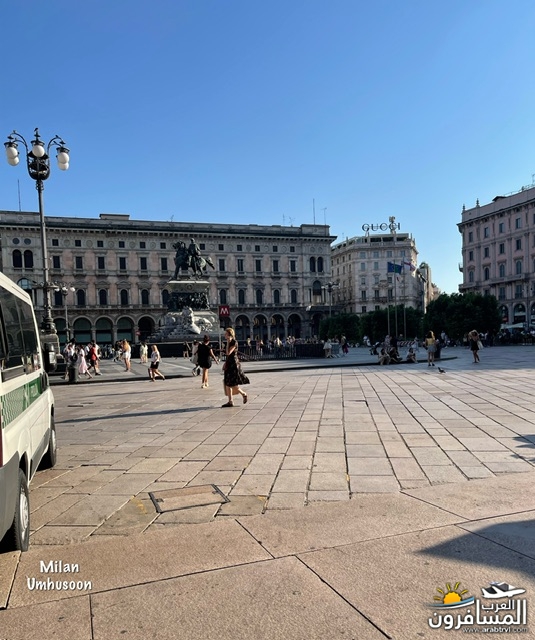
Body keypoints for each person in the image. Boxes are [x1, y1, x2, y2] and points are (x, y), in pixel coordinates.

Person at [222, 327, 249, 407]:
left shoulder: (234, 342)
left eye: (226, 334)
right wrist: (225, 363)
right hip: (229, 363)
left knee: (232, 383)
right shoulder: (229, 342)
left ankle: (243, 394)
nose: (224, 335)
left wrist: (227, 343)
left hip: (234, 365)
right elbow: (228, 356)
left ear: (229, 334)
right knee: (227, 382)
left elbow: (228, 353)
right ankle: (230, 401)